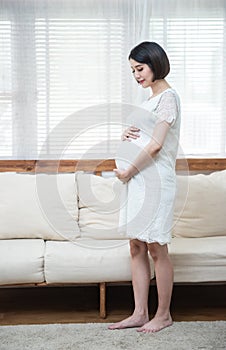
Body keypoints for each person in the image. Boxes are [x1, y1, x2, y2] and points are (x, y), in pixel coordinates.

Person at [108, 41, 181, 333]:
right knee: (136, 245)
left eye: (140, 68)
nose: (136, 75)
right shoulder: (149, 101)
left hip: (155, 182)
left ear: (155, 63)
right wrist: (125, 133)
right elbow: (142, 137)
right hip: (138, 182)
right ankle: (140, 312)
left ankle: (163, 315)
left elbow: (155, 145)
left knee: (155, 247)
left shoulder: (168, 98)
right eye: (132, 70)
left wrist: (127, 170)